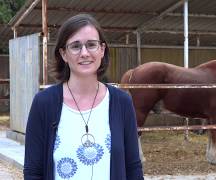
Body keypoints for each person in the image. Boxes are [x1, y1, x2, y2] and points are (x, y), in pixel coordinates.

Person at [24, 14, 144, 180]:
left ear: (102, 50)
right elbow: (33, 171)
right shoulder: (43, 103)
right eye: (75, 46)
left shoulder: (122, 102)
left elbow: (133, 167)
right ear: (64, 54)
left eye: (91, 45)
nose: (85, 53)